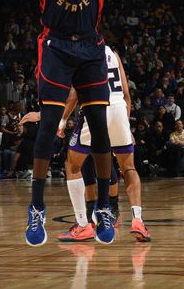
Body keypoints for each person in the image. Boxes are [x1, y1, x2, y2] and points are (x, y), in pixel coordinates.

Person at [24, 0, 114, 246]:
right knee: (48, 125)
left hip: (92, 47)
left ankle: (105, 210)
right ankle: (37, 206)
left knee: (98, 128)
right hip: (57, 47)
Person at [23, 46, 151, 244]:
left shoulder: (82, 51)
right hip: (119, 109)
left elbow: (74, 94)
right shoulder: (113, 53)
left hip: (96, 107)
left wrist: (62, 121)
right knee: (129, 167)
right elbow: (126, 93)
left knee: (72, 166)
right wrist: (124, 124)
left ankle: (83, 225)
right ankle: (137, 220)